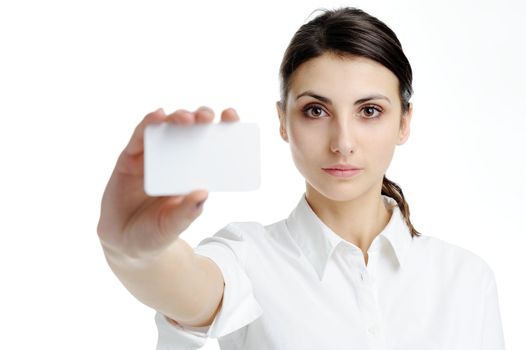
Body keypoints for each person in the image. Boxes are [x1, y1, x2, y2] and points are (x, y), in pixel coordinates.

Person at [96, 6, 505, 350]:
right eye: (315, 110)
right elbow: (190, 289)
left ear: (404, 122)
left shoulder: (466, 279)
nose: (343, 143)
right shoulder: (247, 258)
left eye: (369, 111)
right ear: (282, 121)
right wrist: (133, 253)